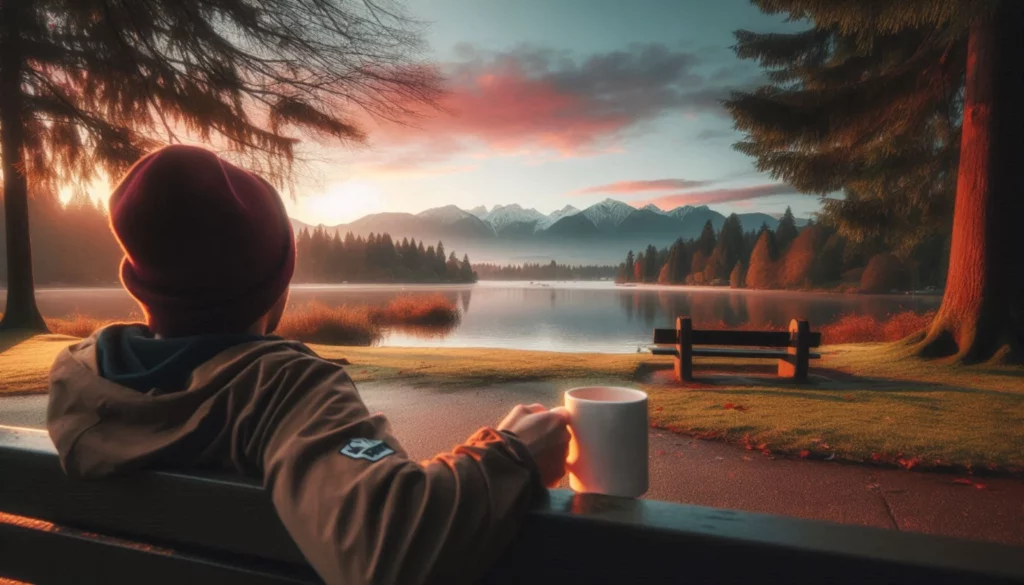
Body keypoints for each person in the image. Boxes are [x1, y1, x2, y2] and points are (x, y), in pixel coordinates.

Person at [46, 145, 571, 585]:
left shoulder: (80, 377)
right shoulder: (281, 389)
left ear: (140, 281)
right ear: (271, 284)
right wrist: (513, 455)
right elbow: (391, 549)